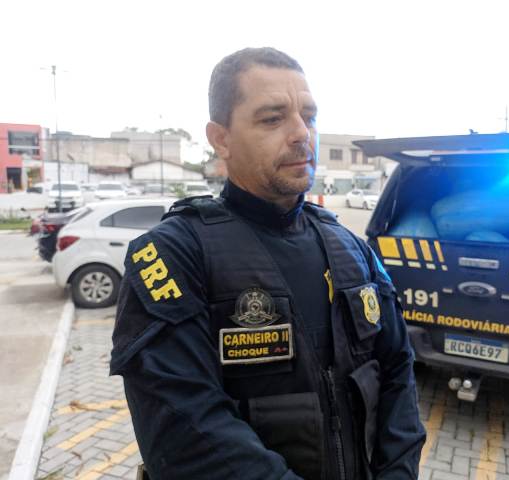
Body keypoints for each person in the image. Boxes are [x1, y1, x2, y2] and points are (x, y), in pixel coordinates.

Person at [110, 47, 425, 480]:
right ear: (221, 138)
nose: (302, 134)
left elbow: (397, 374)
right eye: (273, 118)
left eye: (309, 116)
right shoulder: (175, 255)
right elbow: (185, 429)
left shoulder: (351, 250)